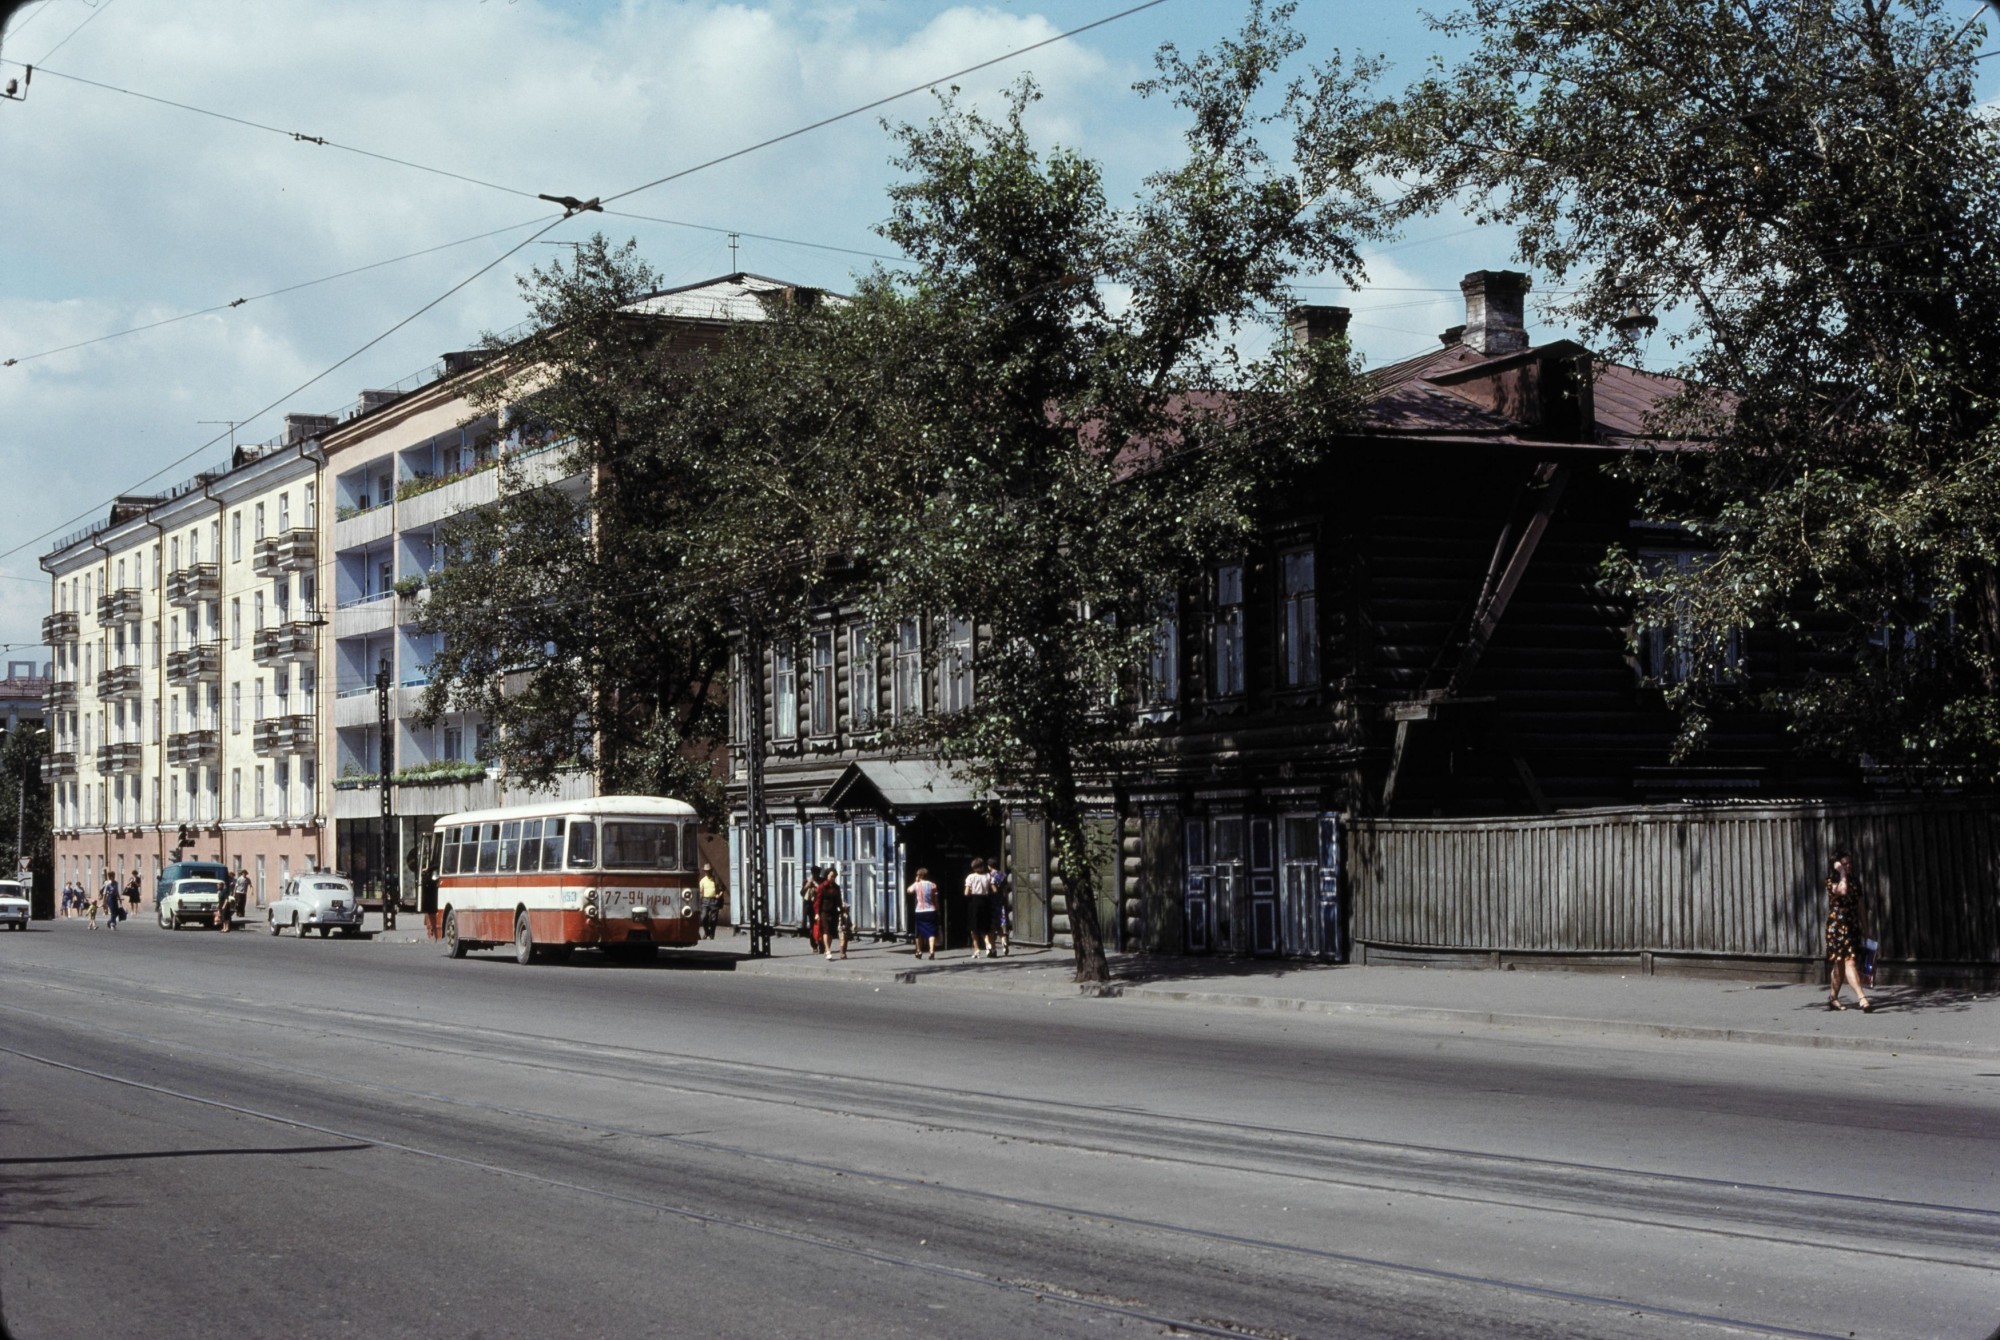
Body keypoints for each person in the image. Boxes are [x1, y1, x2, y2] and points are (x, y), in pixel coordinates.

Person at [1825, 851, 1873, 1012]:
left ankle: (1833, 998)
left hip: (1851, 925)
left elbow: (1860, 907)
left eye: (1849, 863)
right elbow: (1842, 891)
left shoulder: (1855, 882)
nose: (1848, 866)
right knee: (1848, 961)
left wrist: (1866, 929)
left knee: (1841, 964)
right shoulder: (1832, 880)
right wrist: (1842, 873)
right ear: (1837, 866)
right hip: (1837, 927)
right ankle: (1862, 998)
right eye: (1844, 864)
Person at [963, 857, 994, 958]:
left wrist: (972, 890)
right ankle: (988, 943)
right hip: (985, 901)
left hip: (974, 902)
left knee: (974, 927)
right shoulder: (988, 876)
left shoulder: (970, 877)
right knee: (984, 926)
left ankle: (977, 949)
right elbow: (994, 890)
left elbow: (966, 893)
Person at [816, 865, 847, 961]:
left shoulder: (836, 888)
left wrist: (842, 909)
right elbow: (817, 901)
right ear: (827, 875)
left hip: (834, 912)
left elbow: (839, 900)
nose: (832, 878)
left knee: (831, 933)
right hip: (824, 912)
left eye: (834, 876)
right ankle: (828, 950)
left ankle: (826, 948)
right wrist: (817, 913)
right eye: (831, 876)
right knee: (826, 930)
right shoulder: (822, 887)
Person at [909, 867, 939, 960]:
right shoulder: (933, 885)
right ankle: (931, 951)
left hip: (920, 911)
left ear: (919, 876)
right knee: (931, 932)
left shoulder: (917, 885)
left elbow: (909, 890)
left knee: (918, 933)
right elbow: (935, 900)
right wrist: (937, 909)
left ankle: (919, 951)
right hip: (931, 910)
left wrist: (915, 881)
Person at [988, 857, 1012, 957]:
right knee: (1002, 923)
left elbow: (992, 888)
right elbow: (1005, 887)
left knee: (992, 926)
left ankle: (993, 947)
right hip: (1001, 900)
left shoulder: (989, 876)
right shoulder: (1003, 875)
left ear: (989, 866)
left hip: (992, 901)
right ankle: (1004, 941)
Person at [698, 864, 724, 940]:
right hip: (705, 900)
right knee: (703, 917)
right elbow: (701, 892)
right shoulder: (702, 881)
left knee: (713, 919)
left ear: (711, 871)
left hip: (714, 900)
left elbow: (722, 889)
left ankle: (712, 934)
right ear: (704, 872)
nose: (707, 872)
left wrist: (719, 895)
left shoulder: (716, 879)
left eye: (709, 871)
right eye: (706, 871)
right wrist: (700, 900)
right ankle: (707, 932)